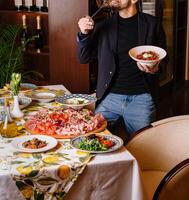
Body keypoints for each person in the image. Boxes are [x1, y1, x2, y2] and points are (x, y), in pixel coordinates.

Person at [77, 0, 166, 138]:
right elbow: (84, 58)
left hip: (142, 98)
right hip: (109, 97)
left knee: (145, 147)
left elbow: (164, 61)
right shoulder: (104, 26)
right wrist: (84, 33)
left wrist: (154, 68)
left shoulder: (152, 24)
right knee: (92, 140)